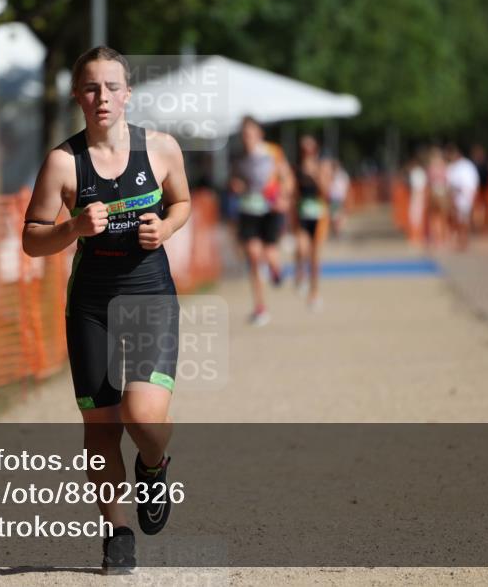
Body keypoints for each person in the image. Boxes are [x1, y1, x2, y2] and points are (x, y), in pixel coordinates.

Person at [21, 46, 190, 574]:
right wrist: (72, 228)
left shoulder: (160, 149)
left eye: (112, 87)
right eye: (91, 87)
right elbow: (31, 238)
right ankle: (117, 532)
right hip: (91, 304)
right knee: (100, 426)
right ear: (77, 95)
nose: (102, 97)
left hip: (149, 296)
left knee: (142, 417)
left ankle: (154, 465)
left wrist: (166, 227)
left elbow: (182, 202)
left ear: (127, 94)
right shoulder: (62, 162)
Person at [228, 116, 294, 326]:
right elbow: (234, 180)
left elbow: (288, 179)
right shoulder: (238, 157)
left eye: (250, 134)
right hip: (248, 209)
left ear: (259, 134)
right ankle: (260, 307)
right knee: (254, 256)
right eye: (244, 135)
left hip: (271, 209)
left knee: (269, 253)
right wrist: (236, 185)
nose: (247, 138)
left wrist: (283, 198)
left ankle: (276, 270)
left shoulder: (273, 152)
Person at [293, 135, 329, 310]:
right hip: (302, 214)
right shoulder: (296, 168)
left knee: (315, 257)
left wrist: (315, 174)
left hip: (319, 216)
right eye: (303, 149)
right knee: (301, 248)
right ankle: (300, 272)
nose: (307, 153)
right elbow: (293, 193)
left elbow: (326, 191)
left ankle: (314, 292)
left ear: (315, 150)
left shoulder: (322, 167)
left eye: (310, 149)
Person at [445, 143, 480, 251]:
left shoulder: (466, 166)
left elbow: (471, 182)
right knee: (458, 220)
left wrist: (470, 194)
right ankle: (460, 240)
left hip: (465, 196)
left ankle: (464, 241)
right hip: (456, 197)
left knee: (464, 220)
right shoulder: (453, 167)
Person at [425, 146, 449, 248]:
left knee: (435, 217)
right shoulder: (443, 166)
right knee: (441, 217)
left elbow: (429, 182)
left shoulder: (432, 167)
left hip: (436, 192)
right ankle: (441, 238)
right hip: (441, 193)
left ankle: (438, 238)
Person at [328, 159, 350, 237]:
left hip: (340, 198)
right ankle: (336, 230)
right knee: (334, 215)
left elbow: (346, 186)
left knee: (339, 215)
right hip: (333, 198)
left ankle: (338, 231)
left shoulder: (342, 175)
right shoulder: (331, 174)